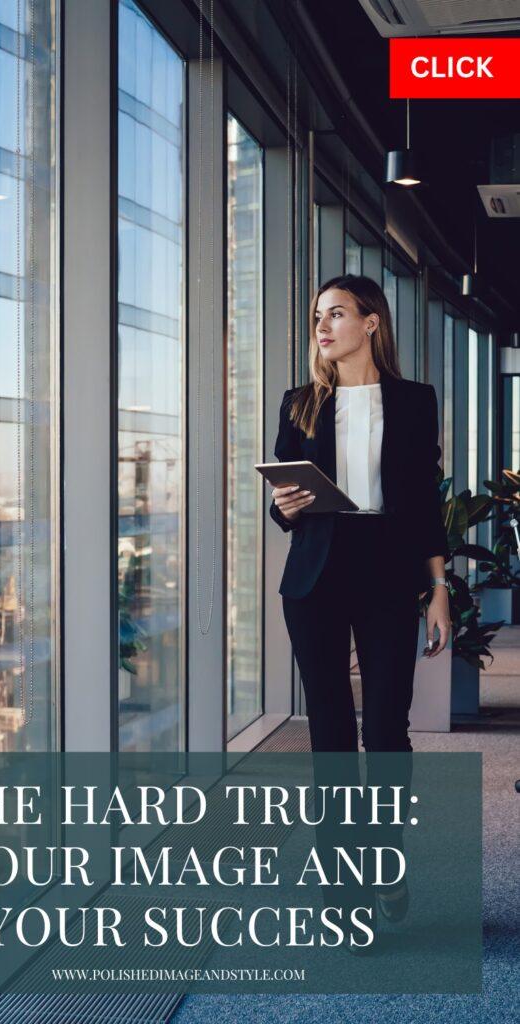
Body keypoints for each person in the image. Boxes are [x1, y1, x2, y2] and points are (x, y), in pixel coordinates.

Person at [269, 274, 451, 930]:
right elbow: (284, 496)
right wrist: (281, 506)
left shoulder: (411, 401)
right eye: (318, 315)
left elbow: (424, 500)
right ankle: (343, 899)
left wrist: (436, 588)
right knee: (332, 741)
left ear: (371, 322)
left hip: (385, 570)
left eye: (337, 313)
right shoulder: (299, 402)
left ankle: (385, 861)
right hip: (314, 578)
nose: (322, 326)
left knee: (384, 731)